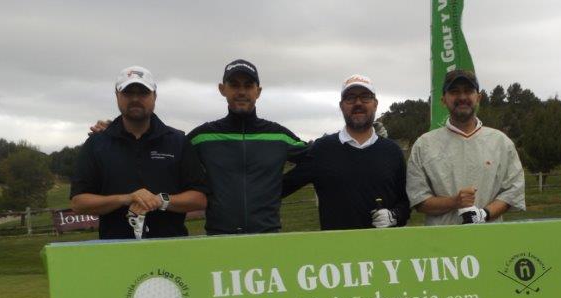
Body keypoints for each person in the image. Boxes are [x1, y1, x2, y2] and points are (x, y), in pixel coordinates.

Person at [71, 66, 208, 239]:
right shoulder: (96, 144)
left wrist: (160, 201)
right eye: (128, 93)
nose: (135, 99)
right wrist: (126, 199)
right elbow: (79, 203)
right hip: (115, 251)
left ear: (155, 96)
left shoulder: (178, 141)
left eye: (143, 93)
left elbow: (199, 198)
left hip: (172, 248)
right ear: (117, 95)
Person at [188, 59, 308, 235]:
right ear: (222, 89)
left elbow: (315, 161)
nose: (241, 92)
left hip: (268, 236)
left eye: (248, 85)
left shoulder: (279, 135)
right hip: (218, 238)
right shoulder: (202, 137)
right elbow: (175, 165)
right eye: (234, 85)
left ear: (258, 91)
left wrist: (278, 189)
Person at [281, 74, 409, 230]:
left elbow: (407, 201)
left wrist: (395, 215)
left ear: (375, 104)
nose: (358, 103)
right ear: (341, 106)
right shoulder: (322, 149)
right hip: (336, 251)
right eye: (350, 98)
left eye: (365, 97)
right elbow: (280, 188)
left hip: (384, 251)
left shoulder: (392, 151)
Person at [406, 69, 525, 225]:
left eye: (468, 91)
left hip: (490, 239)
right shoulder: (424, 145)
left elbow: (512, 191)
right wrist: (454, 202)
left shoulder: (501, 143)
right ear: (443, 100)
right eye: (454, 92)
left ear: (478, 97)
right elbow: (419, 200)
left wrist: (483, 214)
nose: (462, 97)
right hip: (441, 242)